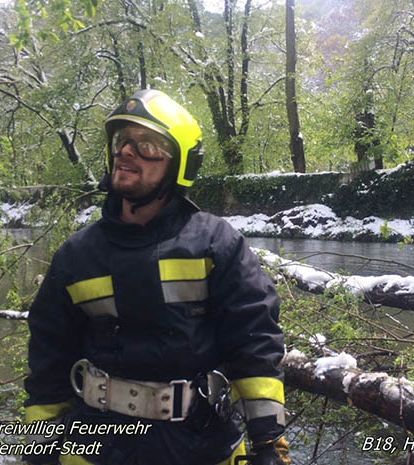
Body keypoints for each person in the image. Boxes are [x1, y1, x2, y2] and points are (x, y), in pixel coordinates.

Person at [23, 89, 290, 465]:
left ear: (179, 164)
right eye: (122, 141)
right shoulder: (76, 256)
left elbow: (255, 347)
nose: (127, 152)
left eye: (147, 144)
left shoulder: (217, 244)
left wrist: (269, 445)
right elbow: (48, 365)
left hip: (203, 447)